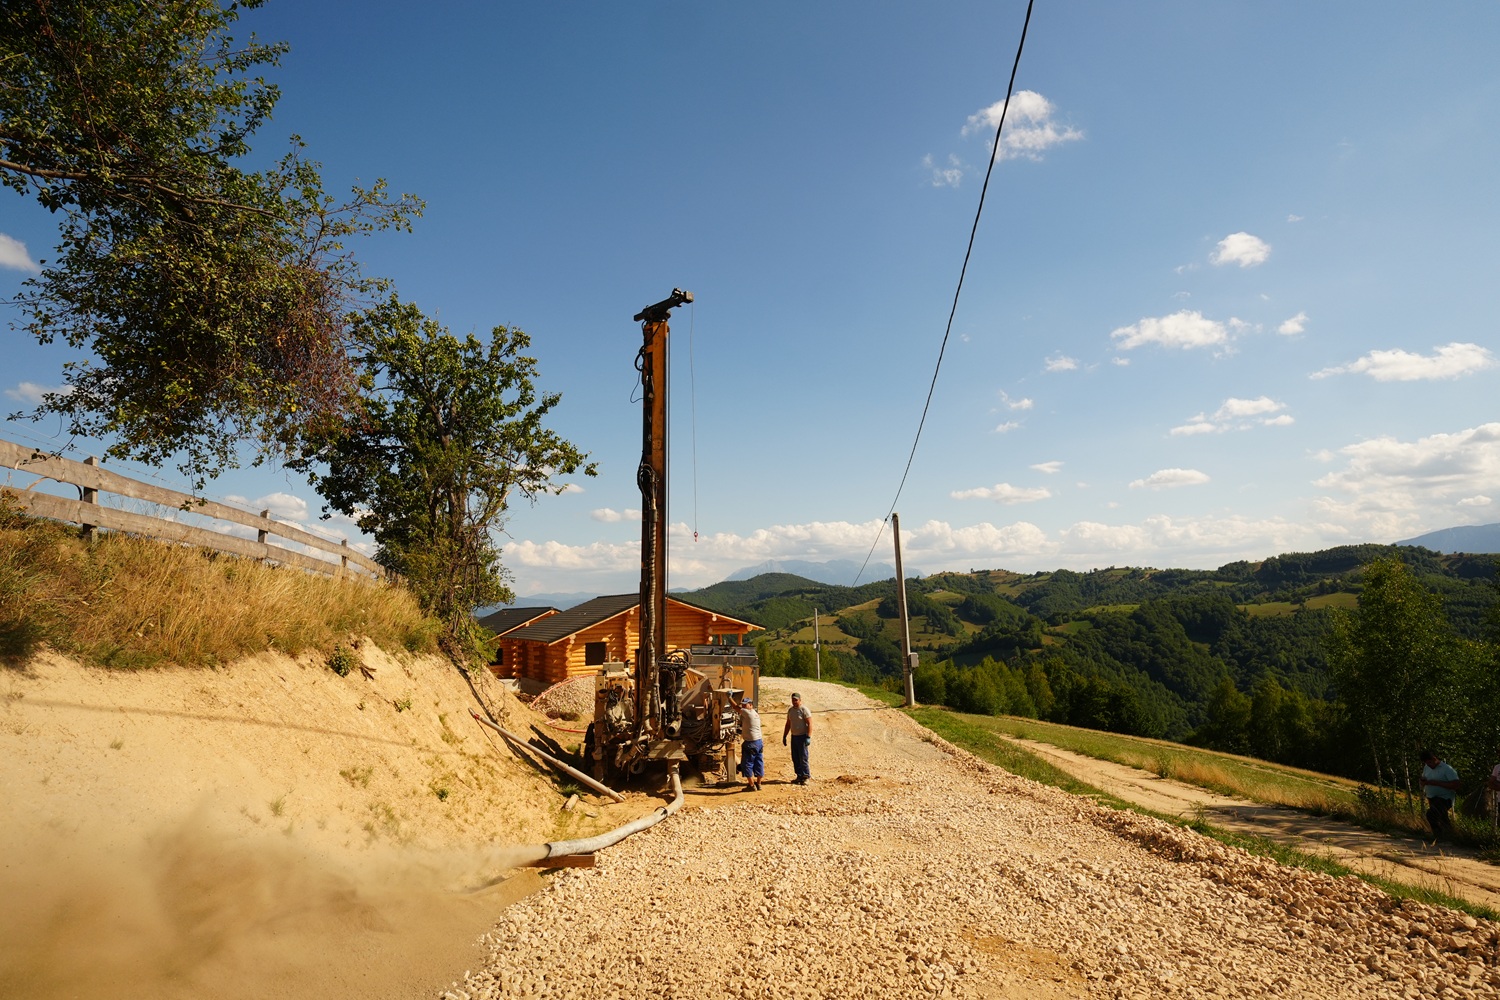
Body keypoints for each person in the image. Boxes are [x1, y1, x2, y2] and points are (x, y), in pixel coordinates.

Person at [1419, 748, 1460, 842]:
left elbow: (1456, 785)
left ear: (1434, 758)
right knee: (1442, 818)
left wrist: (1436, 783)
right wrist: (1423, 781)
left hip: (1445, 798)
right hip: (1431, 797)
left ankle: (1438, 836)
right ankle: (1451, 836)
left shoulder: (1447, 769)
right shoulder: (1426, 767)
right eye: (1426, 763)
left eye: (1430, 762)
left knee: (1431, 814)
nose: (1429, 765)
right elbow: (1424, 778)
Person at [783, 691, 812, 785]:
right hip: (794, 737)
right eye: (793, 700)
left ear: (800, 700)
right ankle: (799, 776)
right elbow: (788, 724)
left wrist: (808, 736)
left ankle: (806, 776)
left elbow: (810, 723)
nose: (794, 702)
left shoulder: (804, 710)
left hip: (802, 737)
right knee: (795, 758)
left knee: (803, 757)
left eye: (796, 700)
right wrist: (784, 736)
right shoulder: (791, 711)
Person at [736, 695, 763, 792]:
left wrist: (729, 698)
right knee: (759, 763)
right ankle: (759, 784)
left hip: (750, 743)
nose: (743, 707)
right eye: (743, 705)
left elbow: (735, 707)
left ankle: (751, 785)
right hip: (759, 742)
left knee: (747, 764)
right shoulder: (755, 713)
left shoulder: (747, 713)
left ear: (751, 705)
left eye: (745, 705)